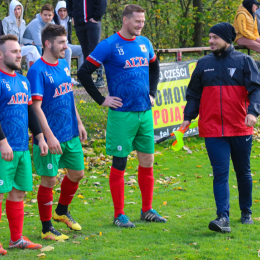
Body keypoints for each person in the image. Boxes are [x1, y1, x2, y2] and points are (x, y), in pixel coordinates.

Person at [78, 4, 167, 228]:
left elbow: (155, 67)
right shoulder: (109, 45)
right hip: (121, 115)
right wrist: (101, 99)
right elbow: (83, 72)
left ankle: (147, 210)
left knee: (147, 161)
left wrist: (152, 92)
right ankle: (119, 215)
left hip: (145, 113)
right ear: (126, 20)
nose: (140, 25)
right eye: (137, 21)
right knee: (120, 163)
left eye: (143, 22)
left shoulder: (145, 43)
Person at [180, 22, 260, 233]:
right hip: (213, 129)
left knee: (243, 172)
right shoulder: (203, 63)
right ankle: (222, 217)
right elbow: (193, 94)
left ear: (227, 39)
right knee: (220, 173)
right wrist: (188, 117)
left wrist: (253, 112)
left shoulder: (244, 61)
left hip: (240, 127)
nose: (210, 41)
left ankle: (246, 211)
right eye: (209, 37)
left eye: (215, 37)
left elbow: (256, 90)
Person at [27, 24, 87, 241]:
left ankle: (61, 212)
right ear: (47, 43)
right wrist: (48, 136)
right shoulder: (36, 70)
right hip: (50, 136)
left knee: (77, 173)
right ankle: (46, 228)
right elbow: (35, 107)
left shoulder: (63, 64)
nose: (65, 46)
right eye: (61, 42)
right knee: (49, 180)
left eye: (66, 42)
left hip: (70, 132)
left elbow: (69, 96)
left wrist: (79, 122)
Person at [0, 34, 48, 255]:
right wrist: (2, 142)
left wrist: (39, 137)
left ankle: (16, 239)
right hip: (3, 149)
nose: (20, 55)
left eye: (20, 51)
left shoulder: (23, 80)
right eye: (15, 51)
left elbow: (29, 111)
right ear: (1, 55)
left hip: (21, 149)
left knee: (18, 194)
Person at [67, 0, 107, 88]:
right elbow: (69, 3)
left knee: (95, 50)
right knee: (85, 50)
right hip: (79, 24)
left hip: (92, 23)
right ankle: (87, 79)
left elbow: (102, 2)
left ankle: (100, 78)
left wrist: (97, 17)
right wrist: (72, 15)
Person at [2, 0, 40, 69]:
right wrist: (16, 45)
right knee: (33, 48)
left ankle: (31, 74)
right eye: (14, 9)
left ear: (21, 9)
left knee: (30, 55)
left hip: (20, 48)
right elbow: (4, 37)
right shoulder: (6, 21)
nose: (17, 11)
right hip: (11, 48)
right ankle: (43, 67)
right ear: (11, 10)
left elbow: (23, 38)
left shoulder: (23, 22)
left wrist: (31, 42)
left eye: (18, 9)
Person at [53, 1, 83, 85]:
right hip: (57, 46)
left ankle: (82, 77)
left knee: (82, 49)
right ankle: (67, 77)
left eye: (64, 10)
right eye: (60, 10)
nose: (62, 13)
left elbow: (68, 38)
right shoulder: (53, 22)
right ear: (57, 11)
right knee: (68, 50)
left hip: (66, 44)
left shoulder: (69, 20)